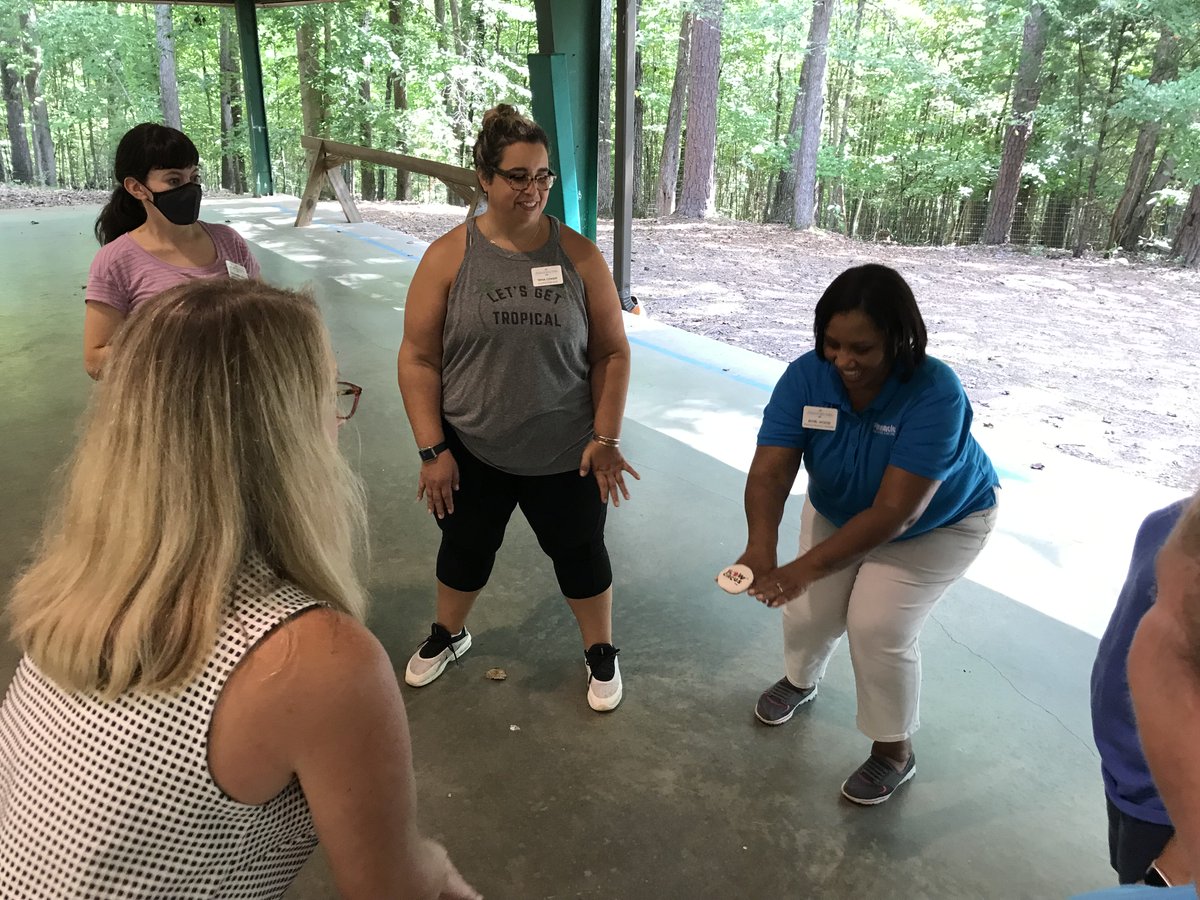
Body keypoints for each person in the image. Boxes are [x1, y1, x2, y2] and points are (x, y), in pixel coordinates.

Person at [0, 280, 478, 899]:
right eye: (328, 395)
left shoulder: (72, 590)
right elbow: (394, 890)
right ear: (287, 433)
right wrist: (434, 866)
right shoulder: (312, 656)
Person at [396, 104, 638, 713]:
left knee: (580, 552)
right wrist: (433, 450)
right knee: (465, 549)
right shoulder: (448, 257)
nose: (533, 189)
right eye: (517, 176)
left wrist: (606, 438)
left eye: (542, 176)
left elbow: (612, 352)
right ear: (484, 177)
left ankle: (600, 649)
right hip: (472, 448)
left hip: (566, 449)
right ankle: (449, 634)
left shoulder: (580, 257)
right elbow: (418, 358)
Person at [737, 263, 999, 805]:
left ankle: (893, 750)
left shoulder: (936, 392)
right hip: (839, 508)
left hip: (937, 525)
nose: (843, 361)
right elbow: (770, 471)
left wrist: (802, 569)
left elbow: (896, 513)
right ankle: (800, 680)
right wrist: (760, 548)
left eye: (862, 348)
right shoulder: (807, 376)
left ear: (900, 339)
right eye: (832, 344)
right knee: (809, 612)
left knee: (876, 626)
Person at [1073, 491, 1200, 898]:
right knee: (1127, 866)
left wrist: (1171, 873)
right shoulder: (1174, 520)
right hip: (1131, 772)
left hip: (1171, 813)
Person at [83, 122, 260, 379]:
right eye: (174, 180)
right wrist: (172, 350)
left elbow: (262, 314)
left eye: (194, 178)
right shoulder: (115, 261)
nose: (190, 189)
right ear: (136, 188)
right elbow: (95, 360)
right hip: (165, 396)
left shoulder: (229, 241)